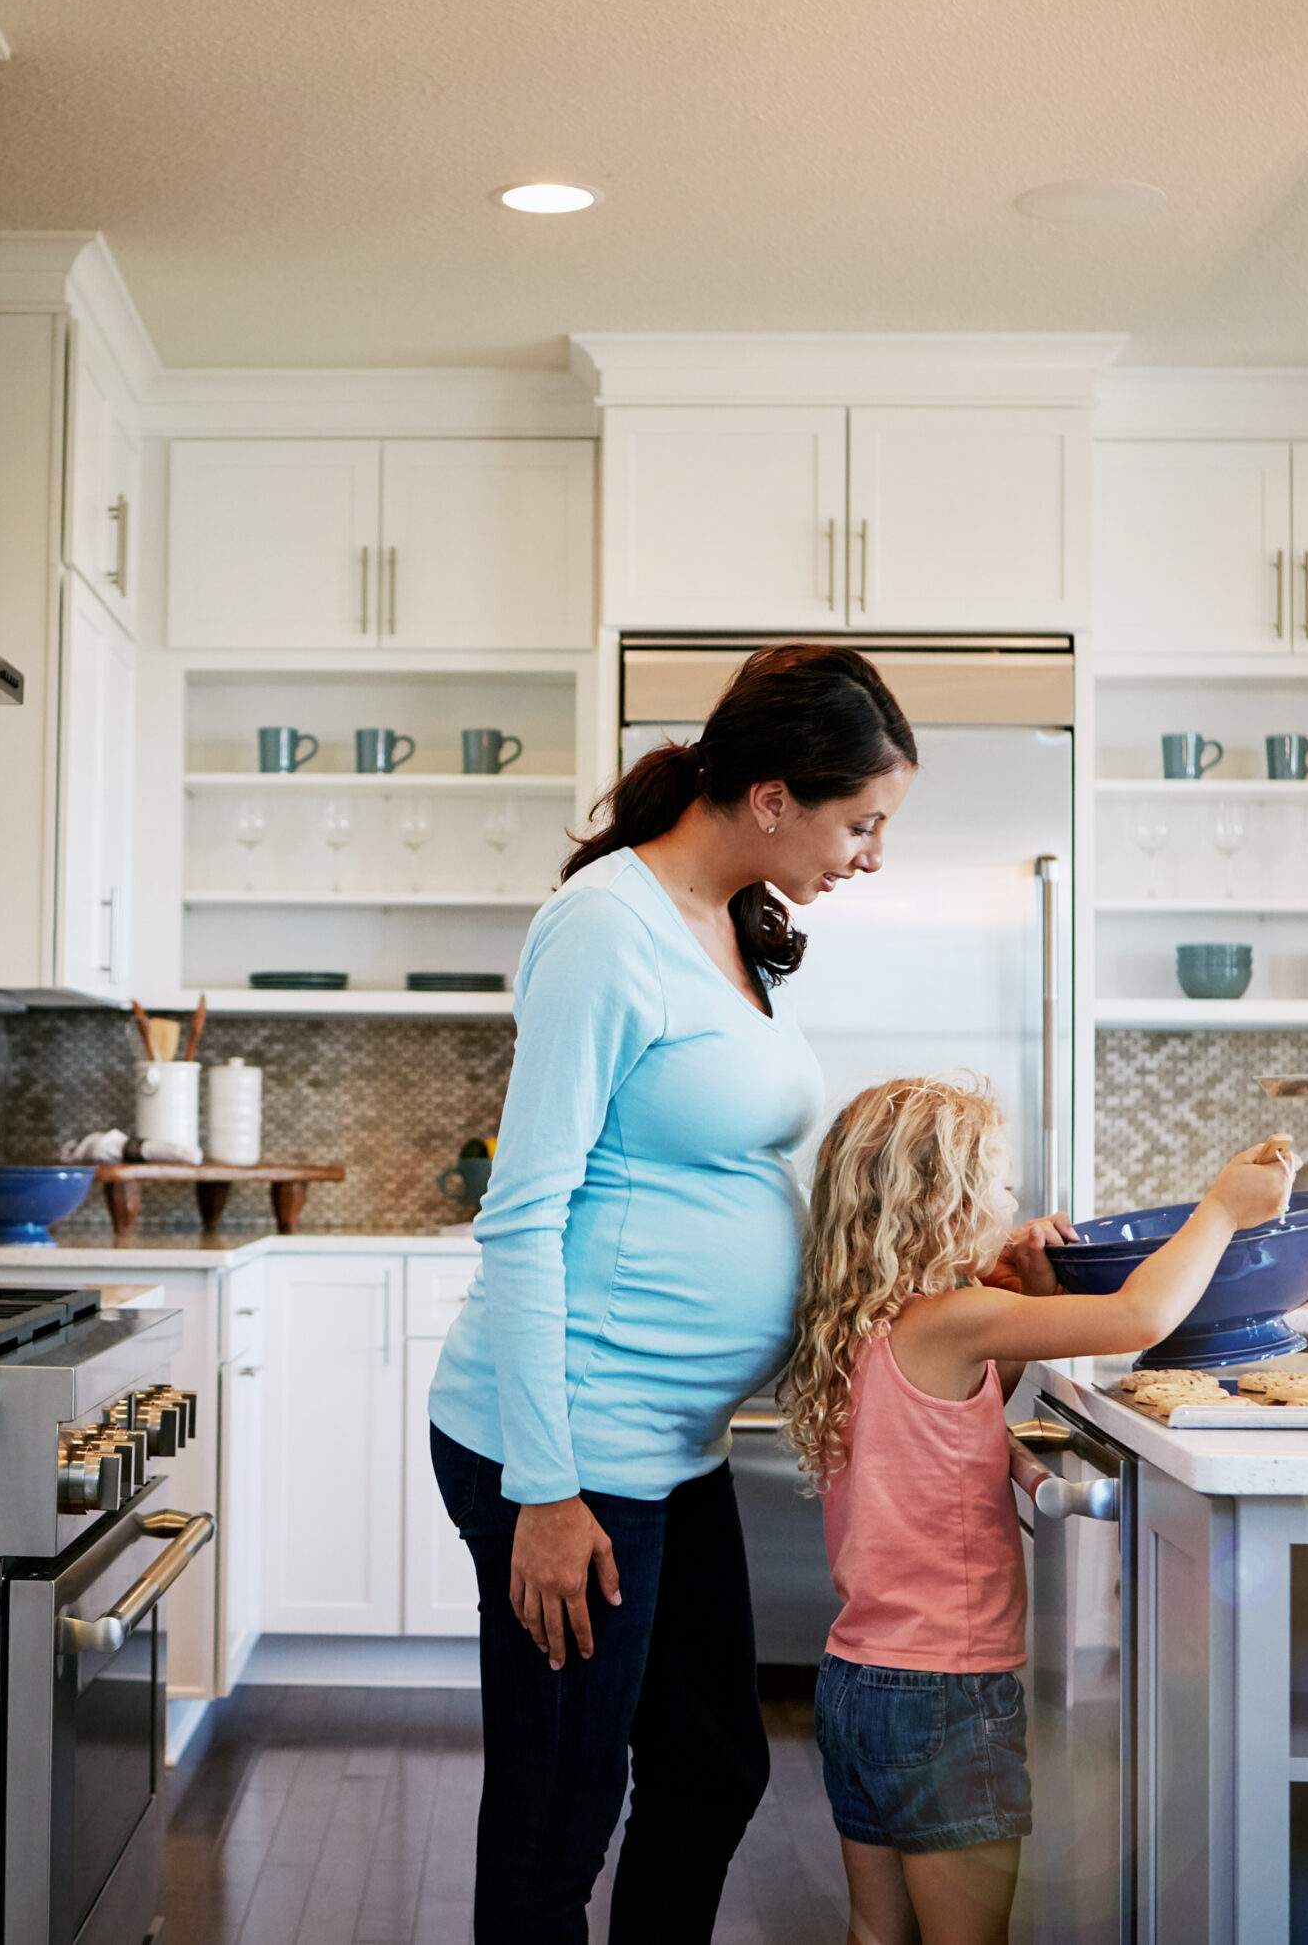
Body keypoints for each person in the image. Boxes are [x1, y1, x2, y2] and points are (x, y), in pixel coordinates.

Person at [425, 643, 919, 1944]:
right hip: (569, 1446)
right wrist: (542, 1490)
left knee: (713, 1765)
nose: (870, 853)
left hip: (672, 1448)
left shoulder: (730, 926)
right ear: (771, 797)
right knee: (558, 1810)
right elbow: (523, 1219)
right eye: (859, 822)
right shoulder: (608, 928)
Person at [782, 1078, 1294, 1945]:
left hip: (855, 1681)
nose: (1015, 1203)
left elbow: (949, 1419)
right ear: (945, 1204)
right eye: (1002, 1185)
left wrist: (1034, 1284)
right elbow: (1140, 1314)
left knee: (877, 1933)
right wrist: (1221, 1208)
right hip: (947, 1695)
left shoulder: (862, 1327)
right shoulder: (961, 1318)